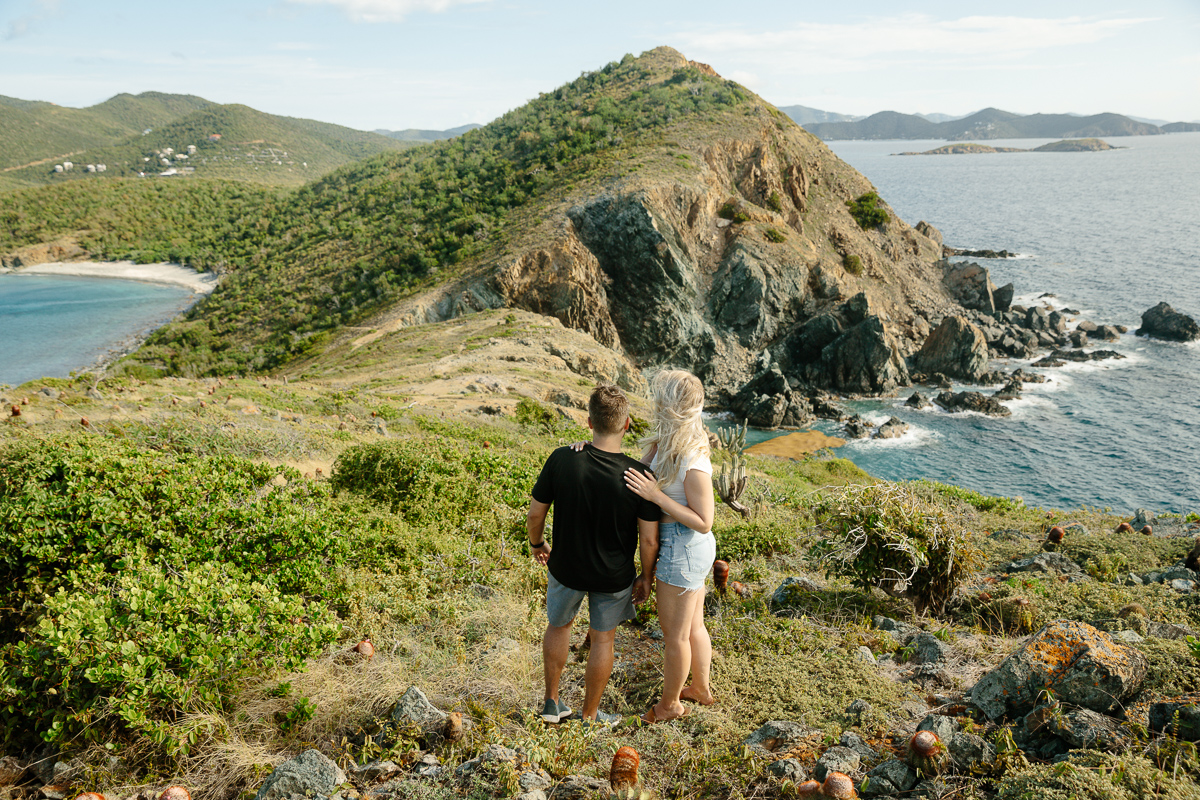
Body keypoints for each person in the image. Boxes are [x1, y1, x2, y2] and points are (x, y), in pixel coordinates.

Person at [526, 384, 660, 726]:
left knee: (558, 626)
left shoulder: (562, 458)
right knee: (603, 640)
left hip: (566, 568)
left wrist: (537, 544)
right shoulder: (641, 477)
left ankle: (551, 705)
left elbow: (535, 514)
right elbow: (648, 542)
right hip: (612, 576)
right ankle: (589, 716)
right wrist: (646, 577)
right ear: (627, 424)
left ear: (588, 422)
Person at [623, 369, 716, 723]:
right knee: (693, 626)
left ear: (672, 404)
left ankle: (670, 706)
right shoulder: (670, 439)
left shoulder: (693, 456)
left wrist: (655, 496)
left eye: (661, 396)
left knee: (675, 636)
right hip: (688, 547)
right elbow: (634, 470)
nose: (655, 400)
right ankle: (701, 689)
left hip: (685, 545)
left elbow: (704, 520)